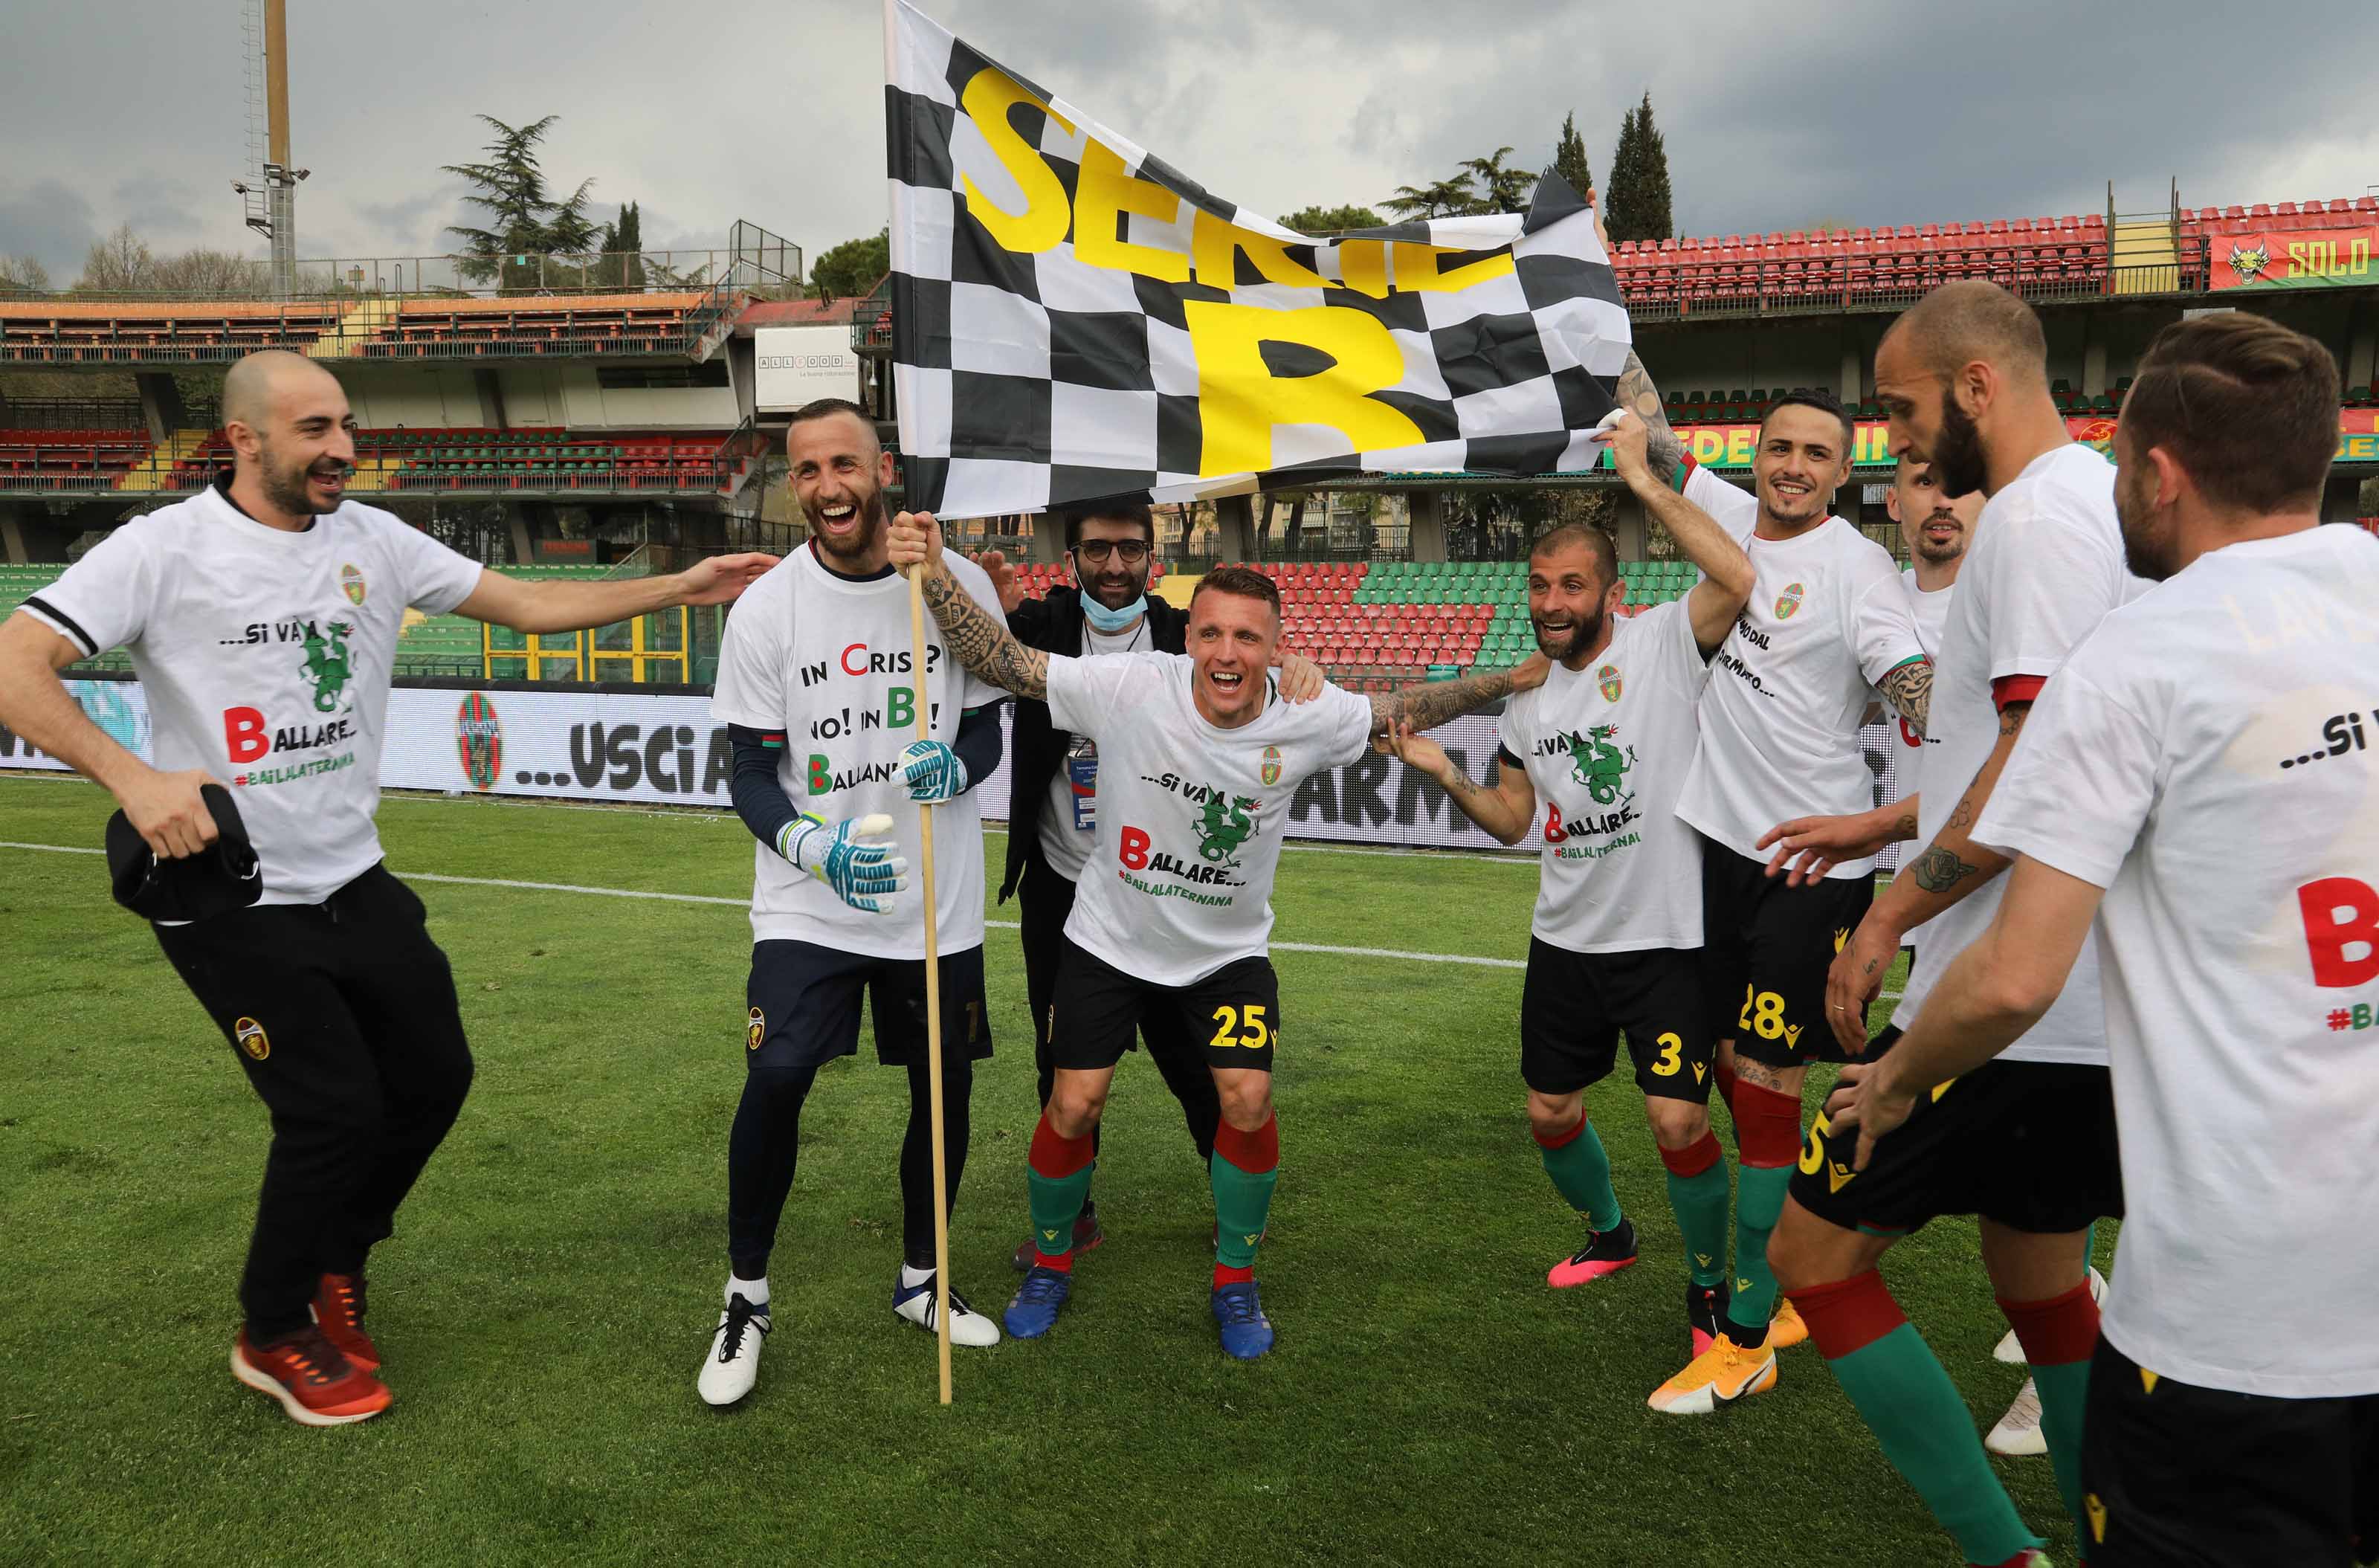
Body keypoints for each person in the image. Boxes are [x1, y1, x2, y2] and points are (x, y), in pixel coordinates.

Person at [0, 349, 773, 1426]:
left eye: (347, 426)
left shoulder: (373, 536)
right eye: (315, 430)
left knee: (435, 1076)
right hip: (230, 892)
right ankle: (273, 1330)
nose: (343, 448)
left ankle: (337, 1260)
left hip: (352, 877)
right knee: (329, 1110)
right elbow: (14, 664)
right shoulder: (163, 548)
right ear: (243, 440)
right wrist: (134, 779)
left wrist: (683, 585)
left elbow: (528, 603)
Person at [1825, 312, 2379, 1567]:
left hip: (2242, 1316)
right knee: (2032, 1267)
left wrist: (1897, 1072)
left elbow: (2015, 975)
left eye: (2119, 457)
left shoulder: (2136, 654)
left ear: (2160, 474)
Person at [888, 509, 1545, 1358]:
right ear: (1188, 637)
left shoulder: (1309, 714)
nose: (1225, 653)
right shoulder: (1132, 686)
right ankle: (1051, 1261)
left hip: (1224, 956)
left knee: (1246, 1098)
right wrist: (934, 569)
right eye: (1210, 634)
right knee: (1074, 1102)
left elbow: (1406, 708)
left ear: (1275, 649)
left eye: (1246, 638)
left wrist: (1509, 679)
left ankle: (1236, 1278)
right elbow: (1003, 661)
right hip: (1108, 941)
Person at [1766, 280, 2136, 1568]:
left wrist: (1891, 909)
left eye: (1903, 408)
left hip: (2011, 997)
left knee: (1813, 1255)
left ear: (1977, 384)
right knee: (2041, 1283)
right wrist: (1883, 831)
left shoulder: (2032, 521)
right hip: (2077, 998)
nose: (1899, 439)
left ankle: (2003, 1552)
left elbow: (2037, 763)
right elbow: (2025, 747)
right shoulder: (2091, 499)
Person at [1381, 410, 1755, 1364]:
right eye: (1539, 585)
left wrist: (1642, 480)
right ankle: (1611, 1234)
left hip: (1666, 942)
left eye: (1571, 585)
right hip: (1564, 943)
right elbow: (1513, 820)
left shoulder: (1661, 642)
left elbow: (1737, 579)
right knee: (1549, 1113)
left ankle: (1708, 1288)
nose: (1550, 602)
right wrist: (1444, 771)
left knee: (1677, 1118)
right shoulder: (1527, 699)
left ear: (1611, 592)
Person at [695, 397, 1010, 1407]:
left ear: (882, 472)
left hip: (933, 901)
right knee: (778, 1074)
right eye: (806, 470)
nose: (827, 486)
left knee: (941, 1088)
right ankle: (746, 1298)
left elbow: (989, 729)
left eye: (844, 464)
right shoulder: (767, 609)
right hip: (812, 900)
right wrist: (810, 846)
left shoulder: (953, 584)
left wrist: (955, 767)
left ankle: (923, 1279)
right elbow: (750, 770)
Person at [1640, 388, 1934, 1415]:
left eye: (1817, 453)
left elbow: (1919, 697)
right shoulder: (1728, 512)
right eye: (1780, 448)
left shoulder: (1858, 571)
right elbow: (1654, 437)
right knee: (1733, 1069)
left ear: (1843, 473)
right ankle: (1779, 1290)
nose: (1795, 467)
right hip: (1714, 849)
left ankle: (1747, 1333)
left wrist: (1894, 803)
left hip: (1807, 867)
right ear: (1756, 456)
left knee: (1768, 1084)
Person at [971, 500, 1322, 1271]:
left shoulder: (1179, 634)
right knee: (1063, 1065)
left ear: (1151, 557)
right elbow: (989, 658)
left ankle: (1228, 1197)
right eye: (1097, 549)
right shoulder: (1043, 622)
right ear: (1072, 557)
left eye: (1130, 549)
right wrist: (971, 593)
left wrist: (1295, 667)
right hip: (1063, 882)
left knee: (1193, 1059)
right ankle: (1075, 1216)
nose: (1114, 565)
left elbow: (1246, 664)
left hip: (1165, 889)